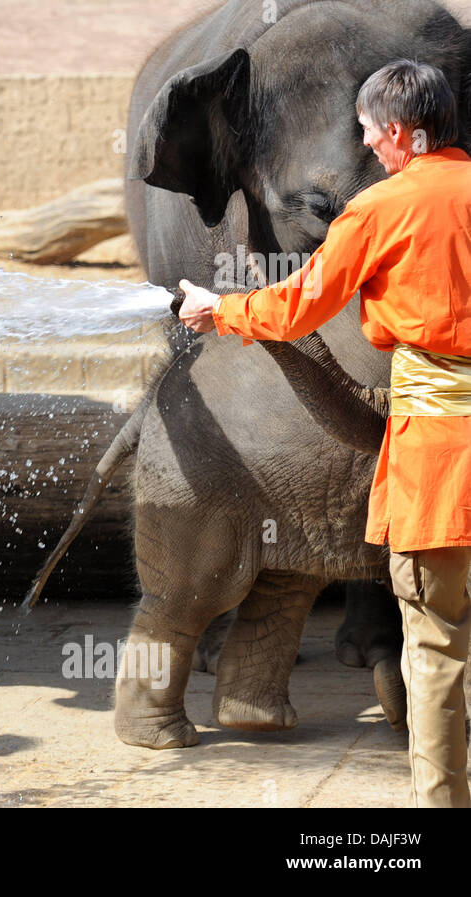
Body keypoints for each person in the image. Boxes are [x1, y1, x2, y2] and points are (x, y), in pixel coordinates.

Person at [177, 59, 471, 807]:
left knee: (436, 648)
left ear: (401, 131)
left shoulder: (380, 211)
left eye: (370, 130)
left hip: (439, 457)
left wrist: (223, 309)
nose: (367, 144)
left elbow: (300, 304)